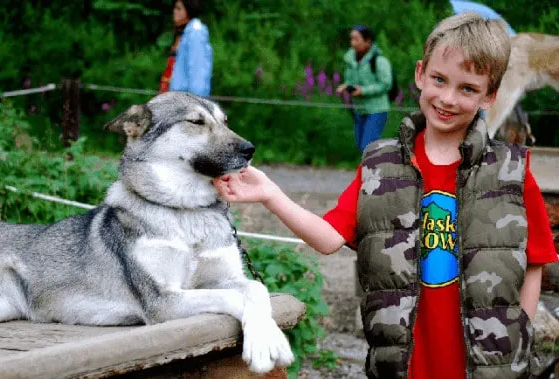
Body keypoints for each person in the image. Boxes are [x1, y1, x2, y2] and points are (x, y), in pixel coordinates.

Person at [214, 12, 558, 379]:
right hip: (404, 365)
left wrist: (516, 335)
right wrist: (270, 193)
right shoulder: (380, 166)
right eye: (439, 80)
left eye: (467, 88)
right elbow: (329, 239)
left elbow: (534, 260)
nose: (447, 98)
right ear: (420, 74)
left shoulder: (510, 171)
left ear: (490, 95)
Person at [336, 25, 393, 153]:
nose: (353, 43)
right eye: (351, 39)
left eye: (356, 39)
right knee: (361, 145)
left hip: (377, 109)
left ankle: (370, 172)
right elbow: (350, 81)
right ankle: (375, 170)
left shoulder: (380, 61)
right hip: (359, 109)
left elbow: (386, 84)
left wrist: (363, 91)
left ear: (368, 41)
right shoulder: (350, 62)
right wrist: (346, 87)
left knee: (367, 147)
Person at [159, 0, 212, 97]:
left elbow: (198, 71)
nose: (175, 11)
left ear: (189, 9)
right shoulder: (185, 32)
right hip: (175, 99)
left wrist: (195, 103)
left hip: (186, 102)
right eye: (175, 8)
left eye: (179, 8)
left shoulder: (196, 32)